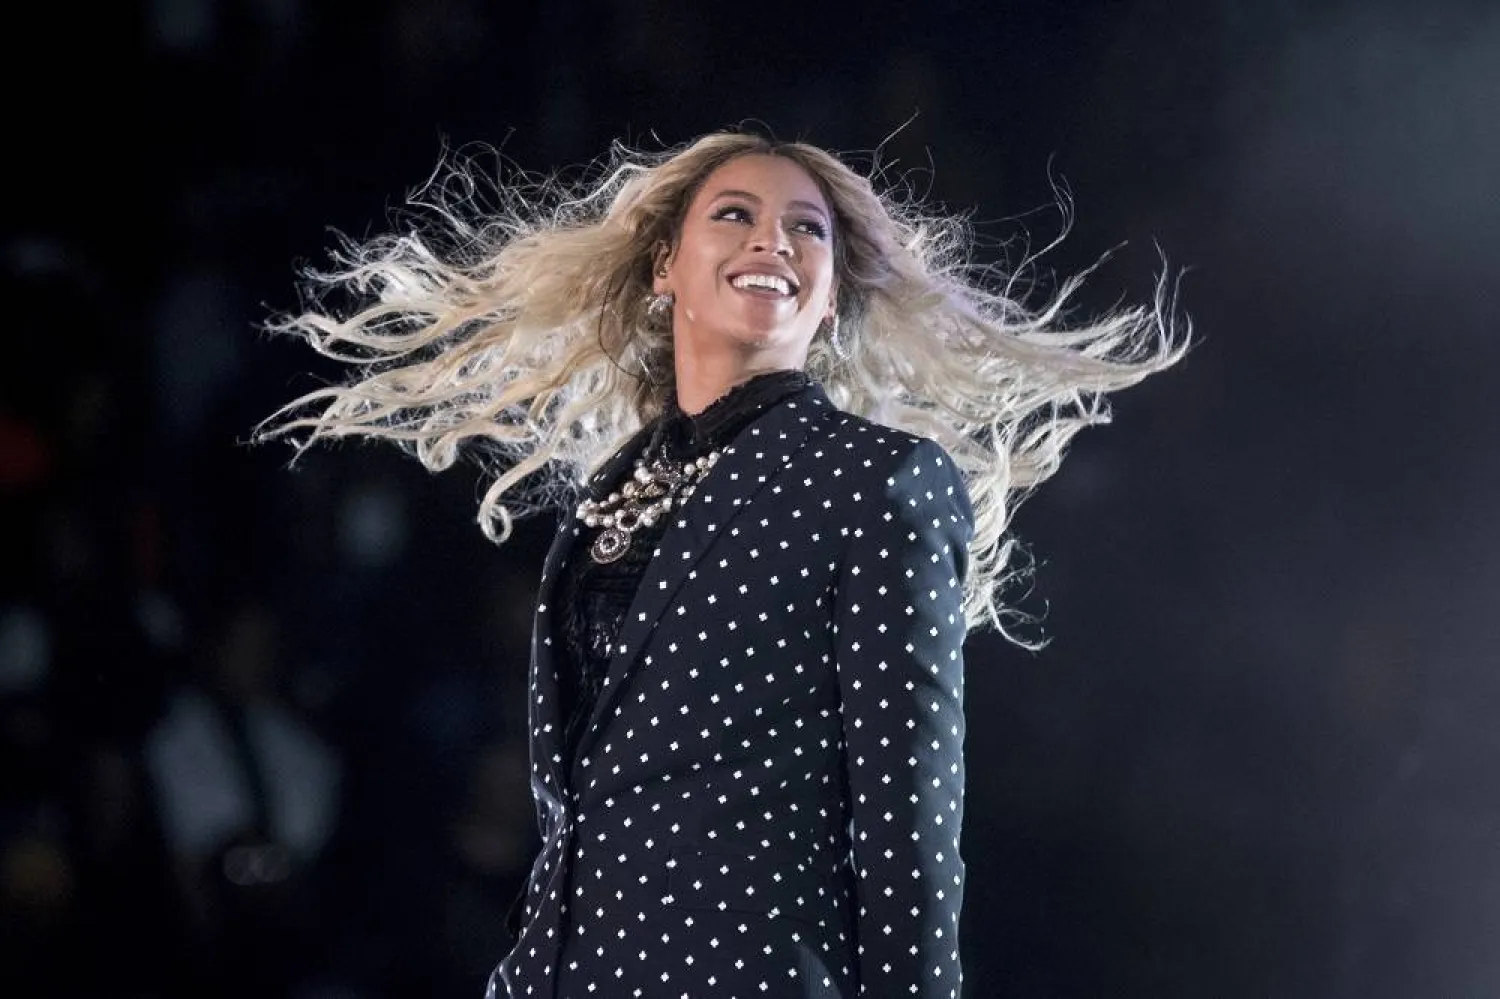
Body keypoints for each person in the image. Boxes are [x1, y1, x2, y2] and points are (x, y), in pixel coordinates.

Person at [256, 127, 1187, 998]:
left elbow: (910, 824)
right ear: (666, 265)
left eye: (806, 230)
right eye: (735, 213)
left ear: (830, 297)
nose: (772, 241)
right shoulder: (610, 491)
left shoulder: (877, 478)